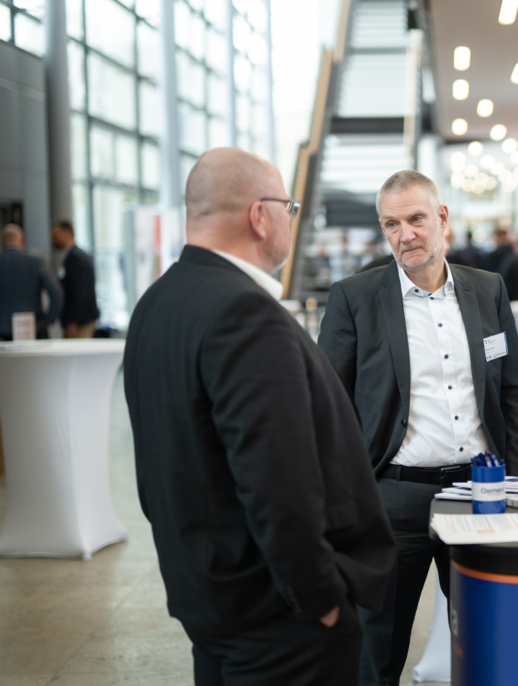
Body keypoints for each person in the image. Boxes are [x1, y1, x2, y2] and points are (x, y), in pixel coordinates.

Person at [123, 148, 395, 685]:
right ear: (260, 215)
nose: (290, 220)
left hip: (210, 598)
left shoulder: (157, 302)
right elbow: (279, 482)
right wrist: (321, 600)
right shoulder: (244, 313)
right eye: (289, 208)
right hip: (278, 621)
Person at [318, 170, 518, 686]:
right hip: (394, 500)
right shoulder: (355, 297)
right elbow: (328, 409)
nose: (405, 234)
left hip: (480, 495)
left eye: (416, 218)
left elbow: (513, 391)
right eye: (391, 224)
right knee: (377, 654)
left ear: (442, 218)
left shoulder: (487, 289)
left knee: (489, 644)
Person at [0, 225, 61, 341]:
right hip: (33, 328)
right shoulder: (35, 262)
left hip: (3, 331)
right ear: (22, 241)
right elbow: (56, 293)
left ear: (2, 242)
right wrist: (49, 320)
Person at [50, 220, 100, 338]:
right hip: (80, 321)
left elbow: (79, 292)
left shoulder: (75, 257)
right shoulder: (75, 255)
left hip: (80, 323)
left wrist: (73, 322)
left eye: (55, 234)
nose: (52, 239)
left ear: (67, 233)